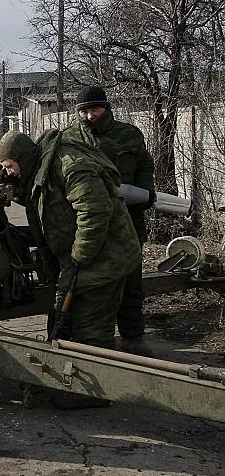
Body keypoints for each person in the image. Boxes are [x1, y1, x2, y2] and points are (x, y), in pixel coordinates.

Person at [0, 129, 142, 408]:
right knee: (65, 321)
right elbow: (41, 201)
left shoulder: (69, 165)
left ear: (23, 158)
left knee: (91, 328)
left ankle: (94, 394)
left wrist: (77, 259)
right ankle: (73, 380)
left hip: (105, 258)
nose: (9, 172)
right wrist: (10, 184)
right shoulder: (42, 167)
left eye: (10, 166)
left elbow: (95, 213)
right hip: (83, 260)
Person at [63, 86, 156, 357]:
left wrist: (145, 191)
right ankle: (87, 337)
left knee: (130, 280)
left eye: (95, 109)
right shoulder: (70, 138)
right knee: (87, 281)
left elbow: (145, 165)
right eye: (83, 110)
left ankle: (133, 337)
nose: (89, 116)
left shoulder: (129, 135)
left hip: (128, 219)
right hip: (89, 222)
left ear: (106, 108)